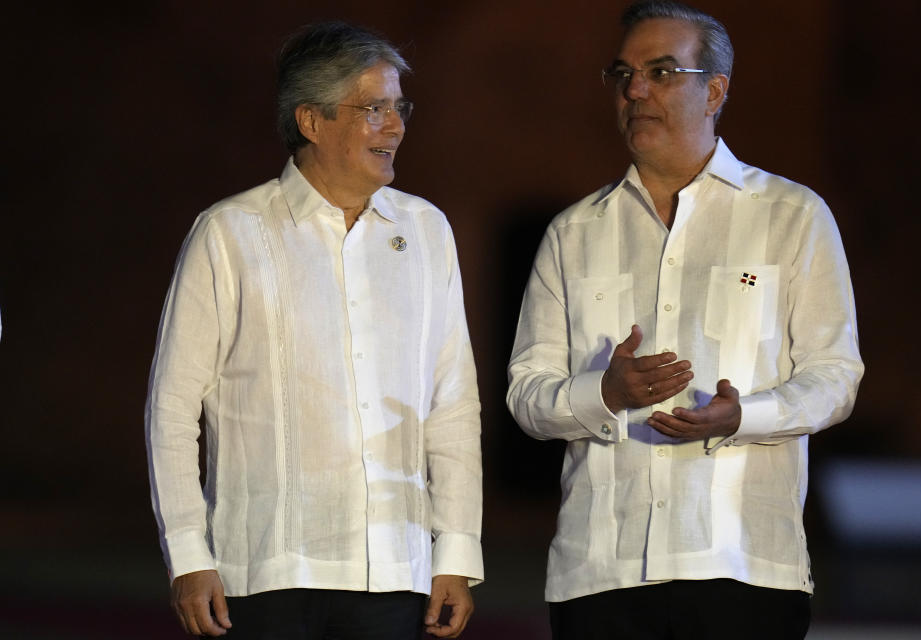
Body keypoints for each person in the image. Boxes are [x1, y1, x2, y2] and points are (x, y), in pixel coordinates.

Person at [506, 2, 863, 638]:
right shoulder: (573, 233)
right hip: (599, 575)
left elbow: (835, 377)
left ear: (715, 90)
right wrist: (603, 393)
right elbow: (526, 397)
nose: (636, 90)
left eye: (662, 71)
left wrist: (743, 416)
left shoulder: (792, 216)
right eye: (623, 74)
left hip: (742, 565)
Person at [146, 21, 483, 640]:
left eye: (399, 107)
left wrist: (457, 551)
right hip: (264, 574)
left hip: (395, 572)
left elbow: (452, 401)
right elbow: (172, 407)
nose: (396, 126)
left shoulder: (427, 230)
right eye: (374, 108)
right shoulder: (229, 231)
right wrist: (190, 556)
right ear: (311, 120)